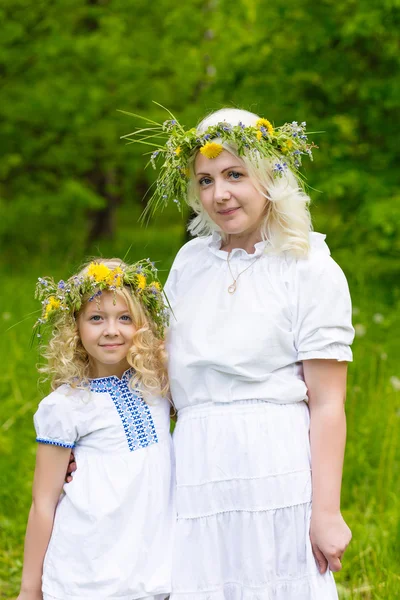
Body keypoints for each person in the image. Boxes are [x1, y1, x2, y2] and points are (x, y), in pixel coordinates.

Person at [124, 107, 355, 599]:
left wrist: (327, 511)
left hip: (274, 467)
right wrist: (97, 439)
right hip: (195, 465)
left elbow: (329, 402)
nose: (219, 194)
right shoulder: (190, 262)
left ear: (269, 176)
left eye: (234, 175)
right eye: (205, 180)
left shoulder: (309, 266)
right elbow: (160, 373)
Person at [17, 258, 174, 600]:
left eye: (125, 318)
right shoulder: (66, 404)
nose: (111, 330)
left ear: (143, 326)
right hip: (87, 572)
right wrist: (30, 589)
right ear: (76, 326)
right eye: (96, 318)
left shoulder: (158, 384)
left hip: (152, 566)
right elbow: (43, 501)